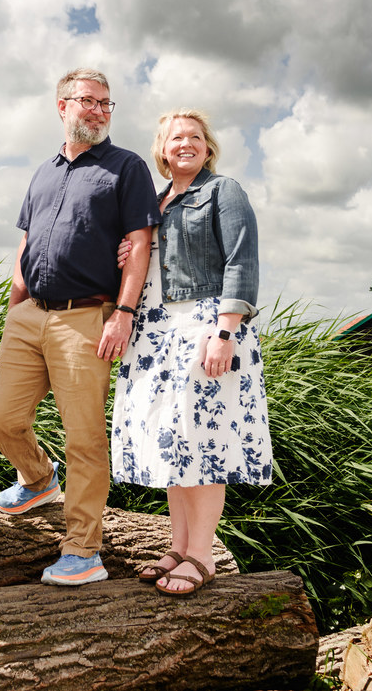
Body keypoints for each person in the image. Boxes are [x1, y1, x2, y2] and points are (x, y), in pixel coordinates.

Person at [0, 68, 160, 585]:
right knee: (1, 417)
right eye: (89, 101)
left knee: (84, 438)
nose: (100, 111)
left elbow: (140, 244)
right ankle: (38, 479)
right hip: (29, 314)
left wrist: (123, 314)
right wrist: (14, 309)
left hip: (87, 316)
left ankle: (84, 550)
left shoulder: (126, 168)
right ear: (62, 106)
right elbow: (26, 244)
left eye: (108, 104)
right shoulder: (42, 172)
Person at [111, 108, 273, 597]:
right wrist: (128, 253)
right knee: (175, 444)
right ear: (162, 149)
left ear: (208, 147)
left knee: (204, 444)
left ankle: (202, 556)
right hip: (157, 330)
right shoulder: (155, 202)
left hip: (202, 326)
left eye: (196, 137)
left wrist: (225, 332)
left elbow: (241, 259)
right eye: (176, 137)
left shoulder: (223, 192)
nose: (186, 143)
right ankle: (179, 547)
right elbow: (149, 261)